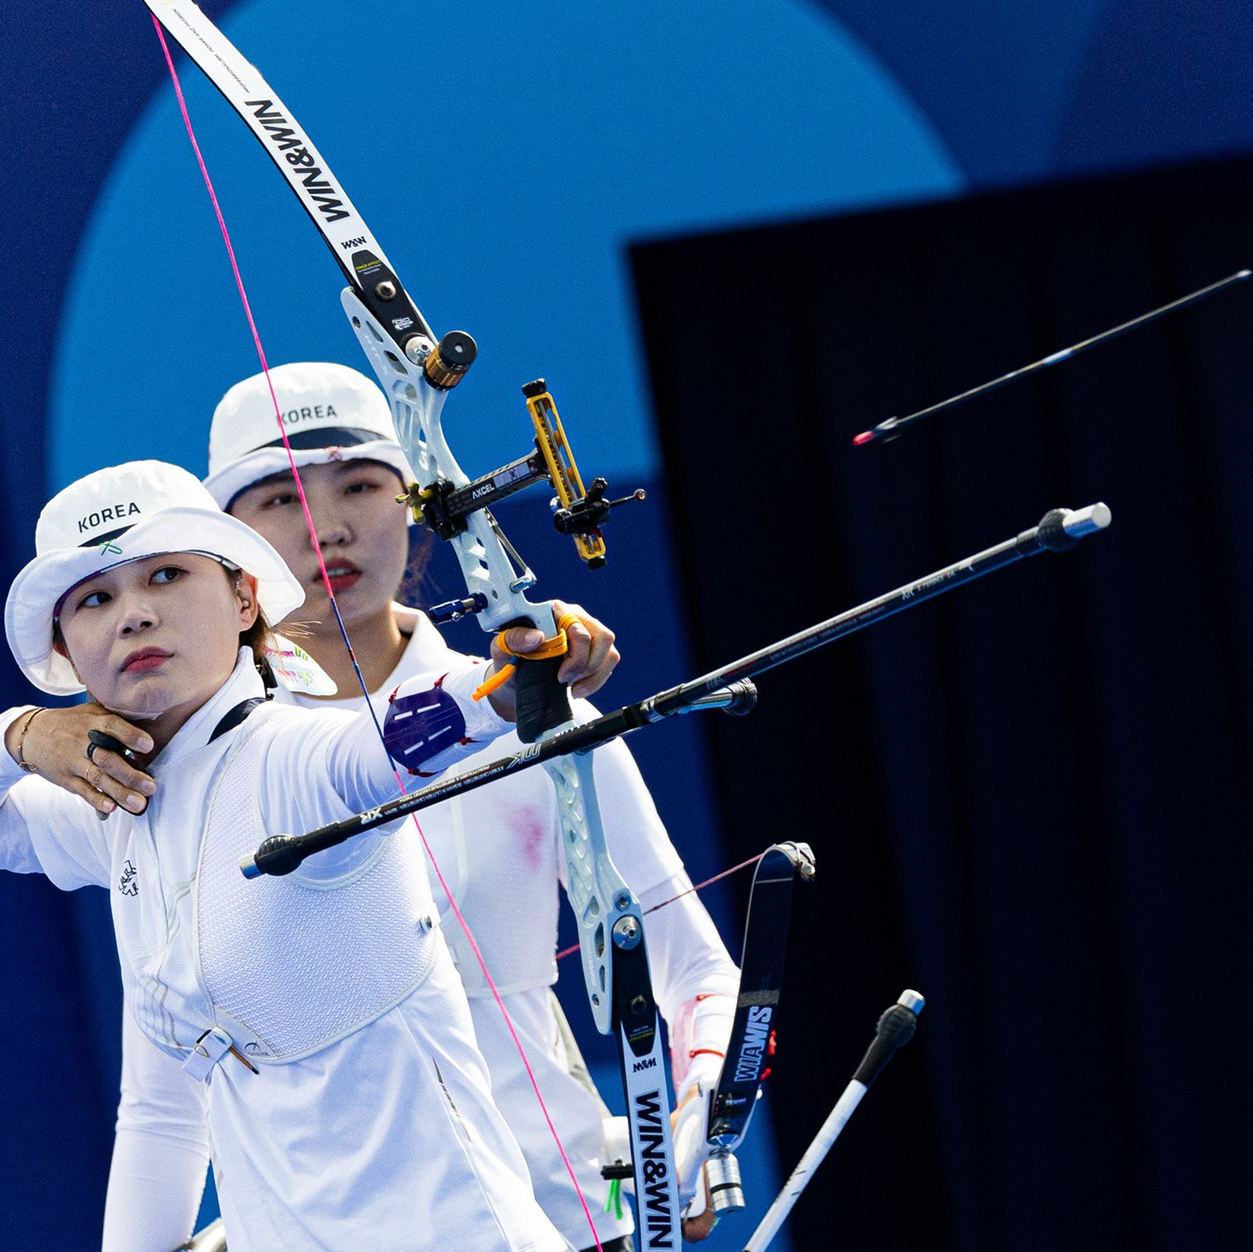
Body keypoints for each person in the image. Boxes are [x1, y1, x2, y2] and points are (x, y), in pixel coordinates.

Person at [36, 362, 739, 1251]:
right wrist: (26, 733)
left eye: (362, 485)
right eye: (280, 499)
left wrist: (697, 1115)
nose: (328, 527)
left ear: (415, 504)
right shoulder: (179, 782)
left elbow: (698, 976)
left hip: (554, 1218)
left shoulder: (533, 714)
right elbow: (167, 1092)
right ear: (232, 556)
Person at [0, 460, 579, 1252]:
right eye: (94, 599)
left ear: (245, 597)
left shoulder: (298, 760)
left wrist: (521, 673)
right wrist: (19, 736)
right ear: (68, 655)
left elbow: (394, 736)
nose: (135, 615)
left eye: (167, 575)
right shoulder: (113, 803)